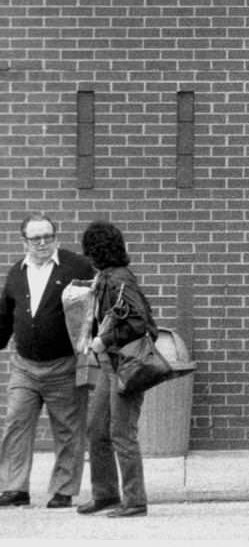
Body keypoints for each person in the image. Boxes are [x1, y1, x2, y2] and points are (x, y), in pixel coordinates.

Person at [0, 213, 93, 510]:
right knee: (16, 424)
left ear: (56, 237)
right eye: (35, 238)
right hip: (24, 366)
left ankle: (63, 490)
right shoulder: (16, 272)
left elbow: (96, 304)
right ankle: (15, 488)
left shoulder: (76, 266)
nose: (42, 243)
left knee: (68, 429)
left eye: (47, 236)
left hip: (64, 365)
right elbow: (6, 316)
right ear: (24, 241)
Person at [77, 220, 155, 518]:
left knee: (121, 433)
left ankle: (135, 501)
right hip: (113, 364)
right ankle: (106, 494)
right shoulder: (109, 277)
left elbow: (138, 323)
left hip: (125, 366)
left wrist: (103, 340)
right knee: (97, 429)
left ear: (94, 251)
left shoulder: (118, 280)